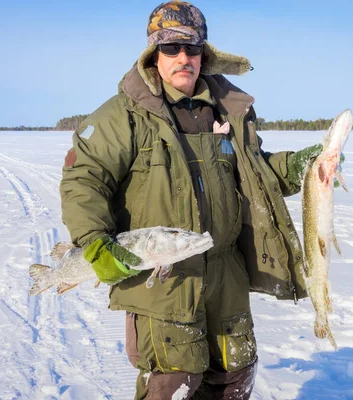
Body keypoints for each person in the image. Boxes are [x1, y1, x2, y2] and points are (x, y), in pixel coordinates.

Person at [60, 1, 325, 398]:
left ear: (204, 53)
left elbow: (256, 172)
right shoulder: (125, 115)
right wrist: (97, 246)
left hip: (225, 273)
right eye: (171, 49)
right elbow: (84, 179)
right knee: (173, 384)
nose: (183, 58)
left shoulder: (229, 110)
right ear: (153, 54)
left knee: (235, 377)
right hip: (163, 278)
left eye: (193, 48)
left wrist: (306, 169)